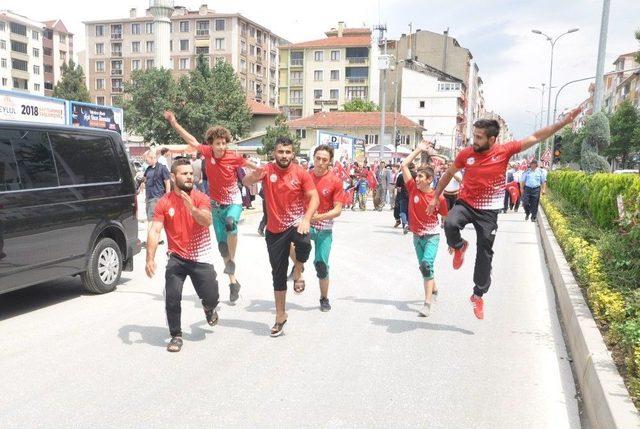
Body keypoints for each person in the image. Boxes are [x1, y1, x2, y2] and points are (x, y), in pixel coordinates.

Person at [428, 107, 582, 320]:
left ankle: (477, 295)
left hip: (489, 210)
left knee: (485, 250)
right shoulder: (466, 154)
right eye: (474, 135)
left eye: (479, 137)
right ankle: (459, 246)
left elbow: (536, 136)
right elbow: (448, 173)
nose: (474, 140)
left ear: (492, 140)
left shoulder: (504, 151)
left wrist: (562, 123)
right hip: (466, 202)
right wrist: (436, 196)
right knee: (450, 224)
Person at [164, 110, 257, 305]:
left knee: (232, 223)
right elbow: (190, 139)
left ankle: (232, 260)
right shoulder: (206, 152)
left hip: (233, 201)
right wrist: (174, 123)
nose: (221, 147)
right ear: (211, 144)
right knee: (222, 247)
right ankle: (233, 282)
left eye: (224, 143)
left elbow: (249, 164)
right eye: (217, 143)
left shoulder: (233, 156)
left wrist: (264, 169)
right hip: (215, 205)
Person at [242, 137, 319, 337]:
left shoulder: (301, 173)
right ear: (274, 153)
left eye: (287, 152)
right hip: (274, 230)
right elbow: (245, 182)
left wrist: (306, 219)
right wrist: (253, 176)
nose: (284, 155)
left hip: (296, 223)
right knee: (278, 274)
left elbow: (314, 198)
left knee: (304, 244)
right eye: (280, 152)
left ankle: (299, 270)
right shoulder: (267, 170)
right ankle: (280, 316)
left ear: (293, 154)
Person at [145, 158, 220, 352]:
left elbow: (207, 221)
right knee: (172, 296)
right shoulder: (164, 202)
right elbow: (155, 230)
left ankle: (208, 307)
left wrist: (192, 209)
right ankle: (176, 335)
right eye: (184, 173)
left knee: (212, 296)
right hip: (177, 257)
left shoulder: (200, 197)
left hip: (200, 257)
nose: (189, 177)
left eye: (190, 173)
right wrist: (149, 258)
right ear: (173, 176)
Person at [402, 142, 448, 317]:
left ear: (429, 180)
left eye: (421, 176)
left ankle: (427, 303)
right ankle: (433, 287)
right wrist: (419, 150)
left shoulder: (439, 198)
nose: (417, 179)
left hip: (431, 236)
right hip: (417, 236)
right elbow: (404, 165)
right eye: (417, 176)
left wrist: (452, 241)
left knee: (427, 265)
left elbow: (445, 218)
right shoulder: (413, 188)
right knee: (424, 267)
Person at [296, 144, 344, 312]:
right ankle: (297, 267)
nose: (320, 162)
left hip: (324, 228)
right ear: (313, 158)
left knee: (321, 264)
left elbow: (338, 210)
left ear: (330, 162)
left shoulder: (335, 181)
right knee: (289, 243)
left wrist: (319, 217)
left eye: (325, 160)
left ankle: (324, 298)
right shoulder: (304, 177)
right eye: (318, 158)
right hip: (306, 224)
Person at [140, 150, 171, 245]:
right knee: (156, 220)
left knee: (151, 220)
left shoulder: (162, 168)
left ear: (152, 157)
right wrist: (141, 183)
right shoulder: (148, 169)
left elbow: (167, 182)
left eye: (146, 159)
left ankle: (149, 241)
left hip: (157, 197)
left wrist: (167, 196)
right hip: (149, 197)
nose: (146, 162)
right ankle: (159, 239)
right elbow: (144, 180)